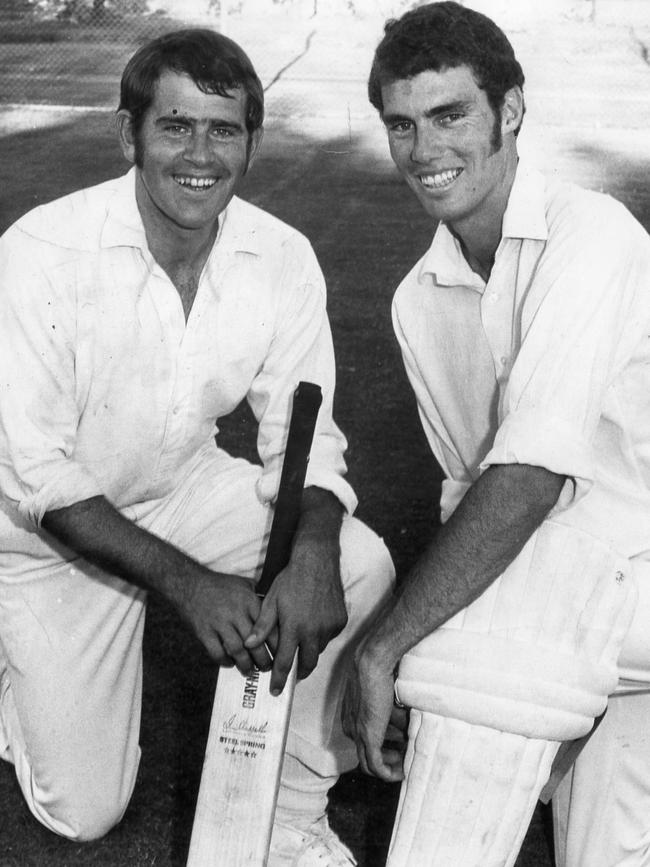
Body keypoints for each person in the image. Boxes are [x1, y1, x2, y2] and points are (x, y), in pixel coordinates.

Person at [0, 29, 394, 866]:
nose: (200, 154)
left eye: (224, 130)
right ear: (128, 135)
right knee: (84, 813)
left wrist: (315, 544)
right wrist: (185, 582)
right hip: (41, 536)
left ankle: (290, 810)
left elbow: (304, 435)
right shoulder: (39, 252)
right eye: (176, 126)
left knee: (358, 565)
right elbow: (40, 476)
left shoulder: (281, 254)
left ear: (252, 142)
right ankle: (19, 673)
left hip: (181, 488)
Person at [342, 3, 650, 866]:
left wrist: (392, 646)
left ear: (511, 112)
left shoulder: (592, 236)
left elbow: (528, 475)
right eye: (401, 125)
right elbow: (462, 490)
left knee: (457, 662)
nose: (424, 150)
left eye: (450, 115)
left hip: (632, 572)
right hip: (579, 585)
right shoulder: (417, 298)